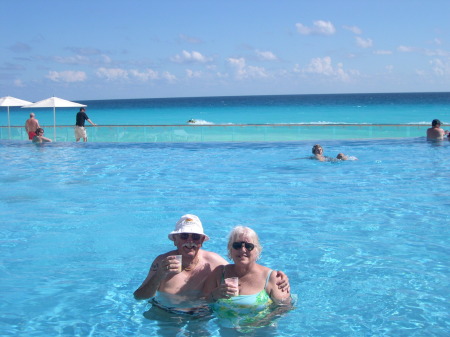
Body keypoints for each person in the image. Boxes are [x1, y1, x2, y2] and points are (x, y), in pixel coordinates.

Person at [133, 214, 289, 316]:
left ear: (201, 241)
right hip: (166, 313)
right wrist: (160, 274)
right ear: (175, 239)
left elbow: (242, 267)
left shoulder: (214, 262)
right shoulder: (161, 262)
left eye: (195, 237)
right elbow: (139, 296)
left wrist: (277, 278)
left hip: (201, 316)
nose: (190, 241)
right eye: (184, 236)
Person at [203, 226, 292, 329]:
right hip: (226, 330)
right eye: (237, 245)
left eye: (249, 246)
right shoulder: (219, 273)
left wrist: (257, 324)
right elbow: (203, 302)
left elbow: (285, 307)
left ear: (257, 250)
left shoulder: (272, 277)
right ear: (230, 249)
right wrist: (215, 294)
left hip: (261, 331)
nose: (242, 250)